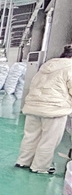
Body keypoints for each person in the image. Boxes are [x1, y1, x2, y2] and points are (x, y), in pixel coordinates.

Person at [16, 45, 72, 174]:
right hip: (54, 109)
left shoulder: (47, 66)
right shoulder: (70, 67)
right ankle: (40, 167)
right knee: (49, 140)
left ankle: (23, 161)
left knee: (30, 137)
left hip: (33, 106)